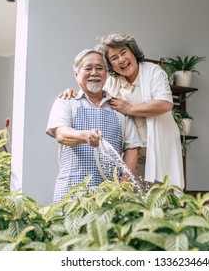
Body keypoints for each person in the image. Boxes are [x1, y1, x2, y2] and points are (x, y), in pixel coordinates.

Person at [58, 33, 184, 191]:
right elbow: (94, 91)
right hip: (132, 152)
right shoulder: (113, 81)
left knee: (162, 197)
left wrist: (130, 109)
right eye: (114, 58)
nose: (121, 60)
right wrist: (73, 91)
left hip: (158, 148)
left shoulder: (153, 72)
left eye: (124, 52)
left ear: (133, 52)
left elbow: (165, 104)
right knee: (134, 202)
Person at [47, 49, 142, 203]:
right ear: (76, 74)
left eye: (99, 68)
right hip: (71, 193)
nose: (94, 73)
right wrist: (85, 136)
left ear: (106, 74)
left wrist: (122, 186)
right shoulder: (65, 102)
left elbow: (132, 148)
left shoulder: (119, 107)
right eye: (88, 68)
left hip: (110, 196)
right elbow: (61, 134)